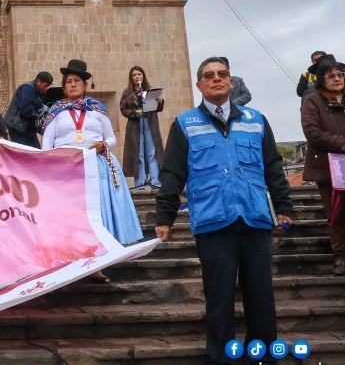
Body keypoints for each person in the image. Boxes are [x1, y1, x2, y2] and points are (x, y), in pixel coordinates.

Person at [155, 56, 293, 363]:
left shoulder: (256, 120)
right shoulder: (185, 124)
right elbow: (172, 173)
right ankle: (220, 358)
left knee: (261, 297)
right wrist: (164, 216)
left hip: (255, 219)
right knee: (219, 299)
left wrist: (283, 206)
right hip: (213, 222)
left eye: (222, 74)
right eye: (209, 75)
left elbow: (272, 167)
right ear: (199, 84)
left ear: (231, 81)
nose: (216, 78)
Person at [41, 60, 142, 247]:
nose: (73, 84)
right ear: (64, 88)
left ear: (85, 85)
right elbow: (46, 144)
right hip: (66, 168)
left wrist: (103, 145)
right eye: (69, 81)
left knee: (99, 207)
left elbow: (111, 138)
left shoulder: (97, 110)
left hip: (96, 163)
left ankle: (105, 247)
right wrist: (51, 164)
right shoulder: (56, 113)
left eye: (77, 81)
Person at [301, 58, 345, 275]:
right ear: (321, 79)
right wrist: (342, 143)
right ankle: (341, 256)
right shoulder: (312, 100)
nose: (337, 79)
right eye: (331, 76)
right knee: (337, 213)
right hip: (329, 167)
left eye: (341, 75)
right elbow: (312, 131)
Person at [120, 66, 165, 190]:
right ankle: (140, 183)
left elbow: (159, 108)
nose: (137, 77)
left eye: (139, 74)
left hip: (150, 123)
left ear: (143, 76)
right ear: (131, 78)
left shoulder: (150, 91)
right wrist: (134, 113)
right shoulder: (127, 93)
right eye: (134, 75)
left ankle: (156, 181)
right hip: (136, 125)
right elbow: (123, 109)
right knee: (138, 153)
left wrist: (159, 101)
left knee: (152, 151)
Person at [4, 71, 53, 148]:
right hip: (16, 127)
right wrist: (39, 118)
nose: (47, 88)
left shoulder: (41, 92)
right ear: (38, 82)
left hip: (28, 128)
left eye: (48, 86)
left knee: (36, 151)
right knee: (22, 152)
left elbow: (37, 110)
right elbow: (26, 111)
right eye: (45, 85)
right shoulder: (27, 88)